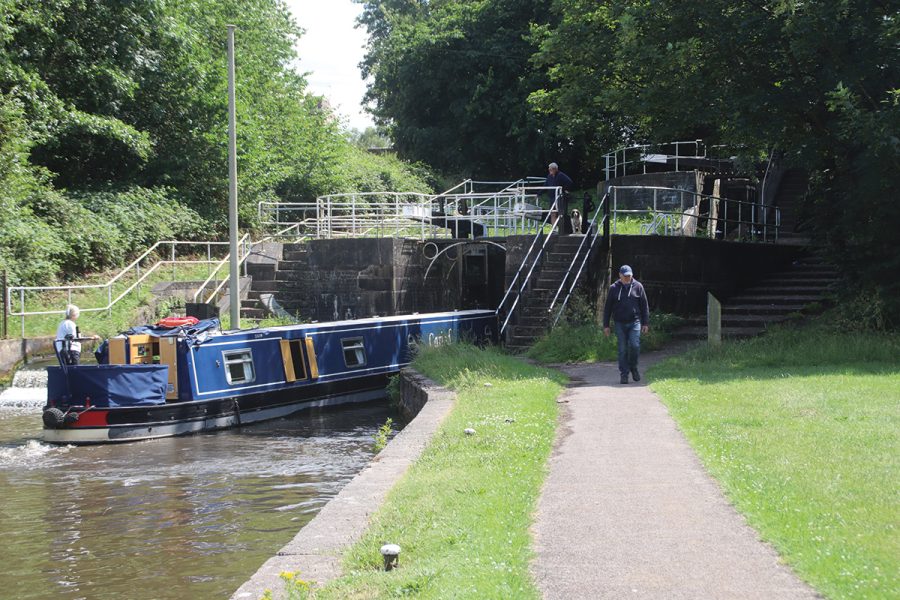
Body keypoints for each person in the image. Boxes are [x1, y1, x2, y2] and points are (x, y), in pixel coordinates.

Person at [602, 265, 650, 384]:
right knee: (622, 349)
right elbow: (608, 308)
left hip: (635, 322)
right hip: (619, 323)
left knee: (634, 345)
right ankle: (624, 374)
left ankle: (633, 367)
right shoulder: (614, 288)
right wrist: (606, 325)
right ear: (620, 275)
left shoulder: (638, 287)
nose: (628, 278)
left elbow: (644, 306)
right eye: (625, 276)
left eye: (629, 276)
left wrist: (645, 323)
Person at [544, 162, 574, 234]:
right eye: (549, 169)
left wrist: (564, 190)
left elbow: (569, 182)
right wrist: (538, 194)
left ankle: (562, 229)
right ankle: (554, 229)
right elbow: (545, 185)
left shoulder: (561, 175)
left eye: (551, 169)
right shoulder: (549, 176)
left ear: (555, 169)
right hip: (552, 197)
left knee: (560, 213)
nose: (550, 171)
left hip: (559, 197)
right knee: (553, 213)